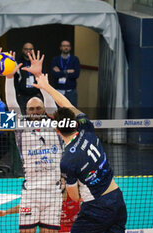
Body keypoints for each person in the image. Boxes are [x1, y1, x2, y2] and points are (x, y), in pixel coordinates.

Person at [32, 73, 127, 233]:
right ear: (75, 123)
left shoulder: (68, 159)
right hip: (117, 198)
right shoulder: (86, 127)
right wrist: (46, 86)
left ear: (57, 130)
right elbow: (67, 104)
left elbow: (74, 197)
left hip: (97, 206)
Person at [4, 50, 63, 233]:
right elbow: (12, 103)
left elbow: (52, 106)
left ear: (44, 110)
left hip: (54, 194)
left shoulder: (55, 125)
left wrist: (38, 76)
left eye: (39, 108)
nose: (35, 111)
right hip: (30, 194)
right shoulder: (21, 129)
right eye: (31, 109)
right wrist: (9, 77)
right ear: (27, 111)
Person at [14, 42, 42, 114]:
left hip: (36, 94)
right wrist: (17, 94)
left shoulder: (38, 62)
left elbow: (42, 77)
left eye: (30, 49)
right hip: (22, 96)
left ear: (33, 50)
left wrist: (40, 92)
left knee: (37, 116)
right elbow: (15, 79)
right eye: (26, 49)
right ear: (22, 50)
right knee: (23, 117)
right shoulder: (18, 62)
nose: (28, 51)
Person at [51, 40, 80, 107]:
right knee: (58, 113)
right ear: (60, 48)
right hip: (58, 91)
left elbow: (76, 75)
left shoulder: (75, 59)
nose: (66, 48)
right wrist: (67, 71)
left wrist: (60, 72)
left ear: (70, 48)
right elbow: (54, 74)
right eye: (64, 46)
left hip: (71, 91)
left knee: (72, 113)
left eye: (67, 46)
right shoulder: (55, 59)